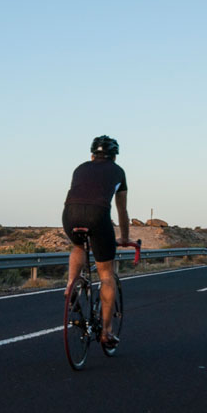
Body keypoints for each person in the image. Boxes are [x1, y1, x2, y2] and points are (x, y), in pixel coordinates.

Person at [62, 135, 130, 348]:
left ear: (92, 155)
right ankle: (107, 332)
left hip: (70, 214)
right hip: (98, 215)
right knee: (106, 275)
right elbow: (122, 210)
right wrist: (125, 238)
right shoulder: (118, 172)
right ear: (114, 156)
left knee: (78, 246)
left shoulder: (80, 168)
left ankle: (70, 284)